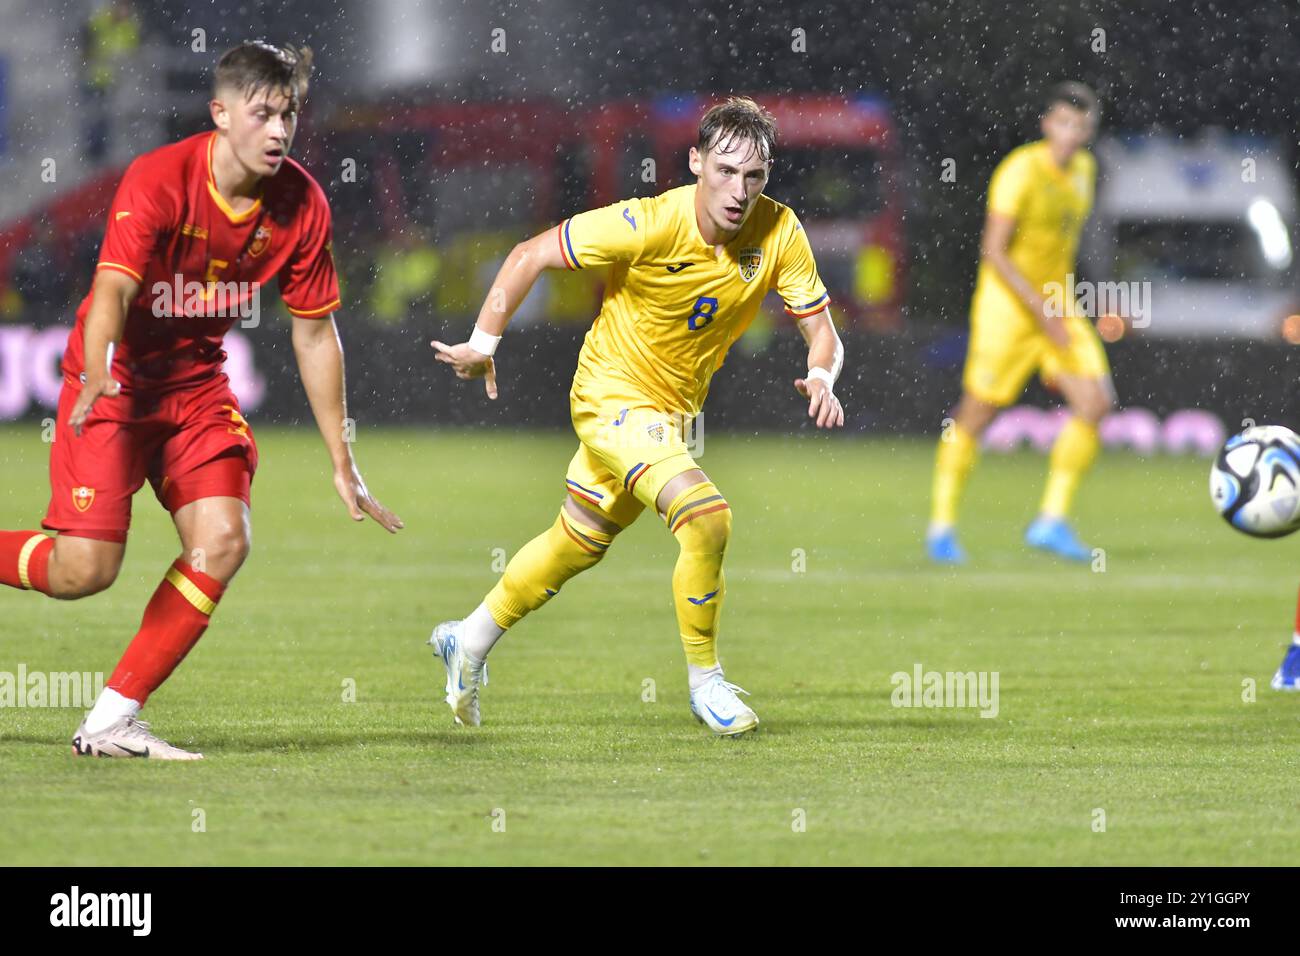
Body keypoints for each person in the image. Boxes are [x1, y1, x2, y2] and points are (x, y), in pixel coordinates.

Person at [0, 41, 402, 760]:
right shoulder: (160, 178)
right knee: (82, 572)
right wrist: (95, 371)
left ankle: (110, 722)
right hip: (118, 383)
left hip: (197, 387)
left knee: (223, 539)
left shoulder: (303, 204)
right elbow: (114, 289)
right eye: (263, 114)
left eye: (289, 115)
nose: (279, 131)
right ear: (220, 114)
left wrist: (343, 460)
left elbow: (315, 334)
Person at [429, 96, 844, 737]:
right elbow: (529, 254)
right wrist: (484, 344)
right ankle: (706, 684)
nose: (739, 191)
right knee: (707, 520)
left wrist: (822, 373)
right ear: (695, 162)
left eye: (754, 176)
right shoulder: (649, 222)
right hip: (610, 395)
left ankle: (469, 639)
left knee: (576, 543)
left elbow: (823, 332)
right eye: (725, 172)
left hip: (670, 416)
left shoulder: (779, 230)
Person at [927, 82, 1114, 565]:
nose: (1071, 135)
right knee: (977, 413)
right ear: (1047, 124)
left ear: (1089, 132)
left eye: (1081, 127)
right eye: (1063, 123)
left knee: (1094, 403)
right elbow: (994, 252)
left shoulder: (1086, 171)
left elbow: (1065, 247)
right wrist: (1041, 311)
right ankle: (941, 527)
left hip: (1058, 306)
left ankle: (1050, 521)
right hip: (1008, 309)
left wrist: (1068, 305)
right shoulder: (1019, 171)